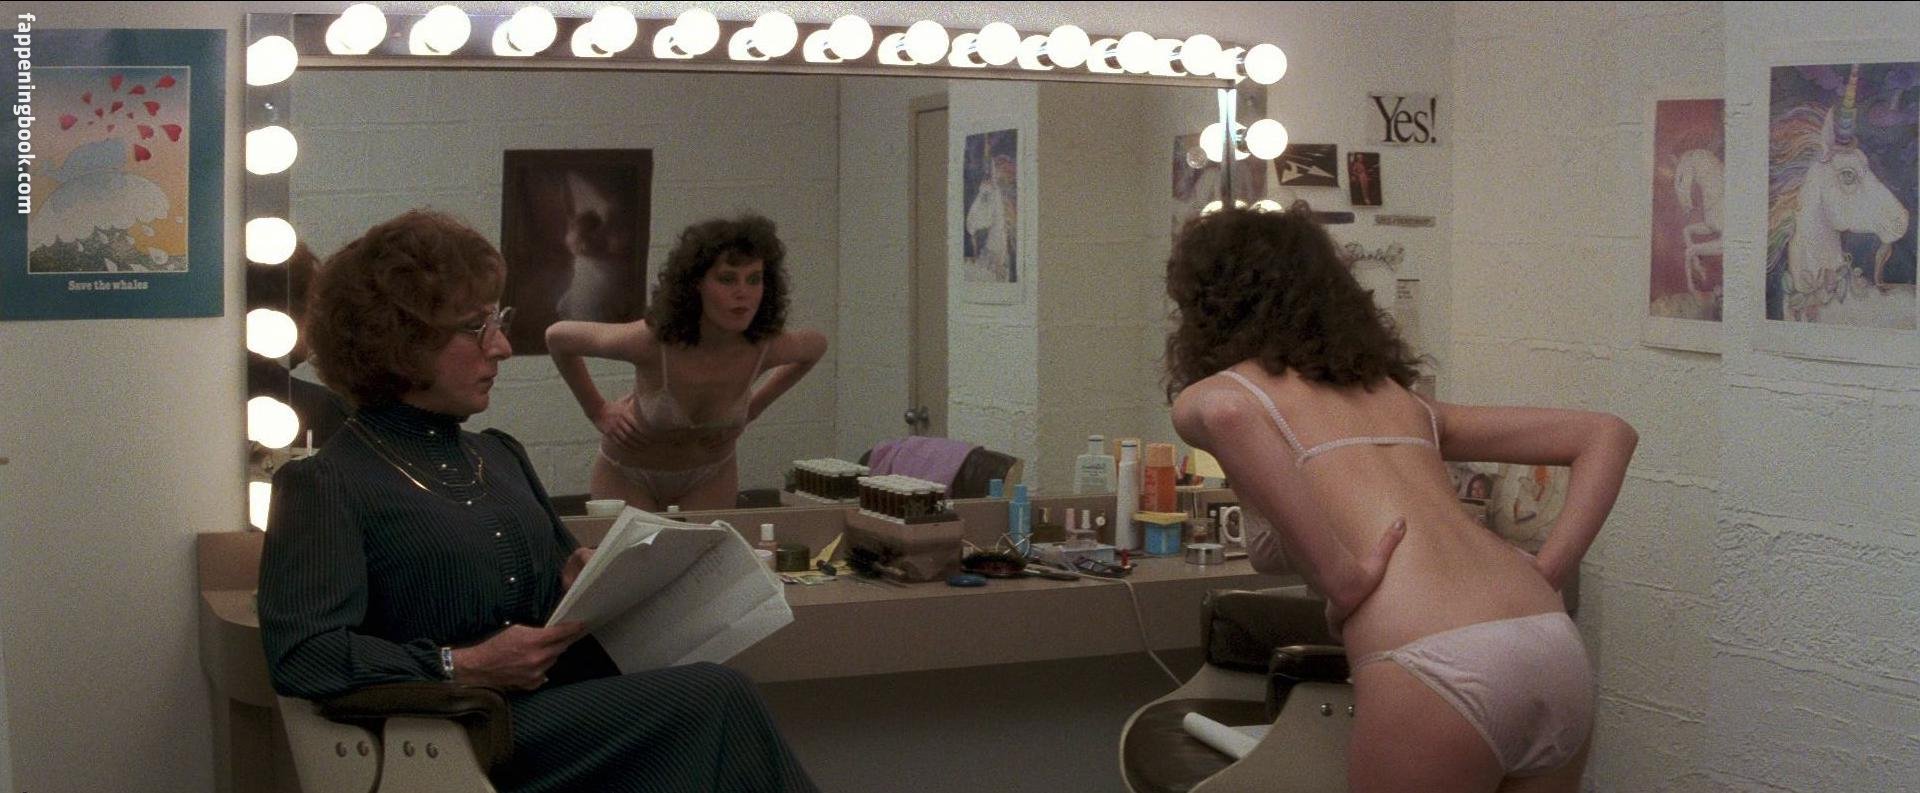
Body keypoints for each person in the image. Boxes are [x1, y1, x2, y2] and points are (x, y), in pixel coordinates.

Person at [257, 209, 818, 793]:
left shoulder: (500, 456)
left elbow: (559, 601)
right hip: (458, 736)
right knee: (714, 699)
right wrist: (461, 664)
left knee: (711, 713)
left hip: (553, 709)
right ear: (401, 340)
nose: (501, 347)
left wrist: (587, 580)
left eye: (497, 321)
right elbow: (302, 656)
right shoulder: (328, 483)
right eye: (476, 327)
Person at [1162, 208, 1635, 792]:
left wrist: (1341, 580)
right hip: (1549, 643)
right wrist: (1548, 571)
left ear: (1206, 306)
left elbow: (1226, 414)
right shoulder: (1404, 404)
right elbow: (1607, 435)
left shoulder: (1229, 392)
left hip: (1435, 663)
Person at [548, 213, 826, 511]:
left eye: (754, 279)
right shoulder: (654, 341)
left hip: (710, 474)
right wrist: (597, 410)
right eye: (727, 279)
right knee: (634, 544)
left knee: (709, 543)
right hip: (629, 474)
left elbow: (816, 347)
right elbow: (558, 338)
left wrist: (753, 409)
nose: (743, 293)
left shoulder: (763, 347)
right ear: (696, 284)